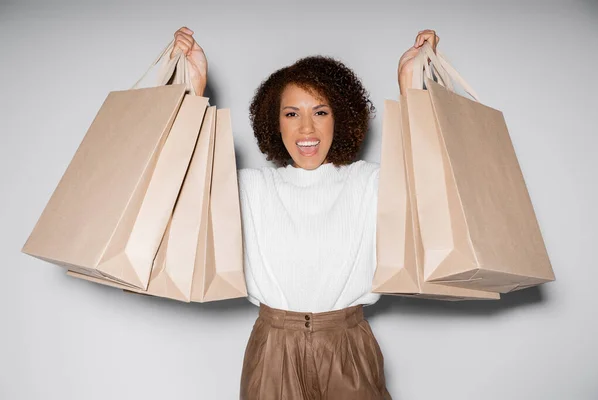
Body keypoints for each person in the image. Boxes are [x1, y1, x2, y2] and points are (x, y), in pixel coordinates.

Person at [170, 26, 439, 400]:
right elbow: (179, 192)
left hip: (347, 346)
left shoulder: (369, 182)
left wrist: (410, 85)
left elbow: (430, 189)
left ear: (339, 118)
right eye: (292, 113)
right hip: (273, 351)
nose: (306, 128)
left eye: (321, 111)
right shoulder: (250, 187)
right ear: (274, 122)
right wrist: (193, 91)